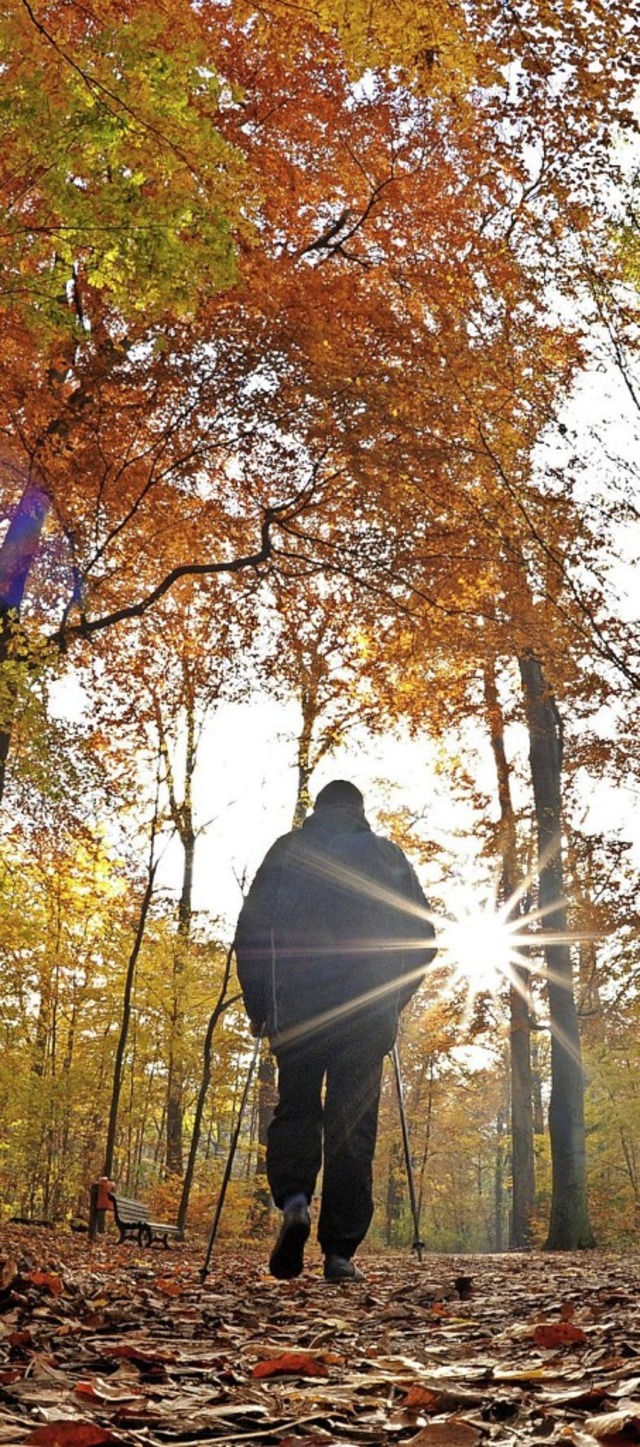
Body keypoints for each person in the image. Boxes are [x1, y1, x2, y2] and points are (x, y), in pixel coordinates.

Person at [235, 779, 437, 1282]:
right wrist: (393, 1001)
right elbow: (423, 940)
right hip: (365, 1017)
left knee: (296, 1108)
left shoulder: (287, 851)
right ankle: (340, 1253)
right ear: (360, 811)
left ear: (318, 810)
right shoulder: (386, 855)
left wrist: (259, 1005)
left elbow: (251, 932)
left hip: (297, 1012)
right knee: (352, 1126)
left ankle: (296, 1203)